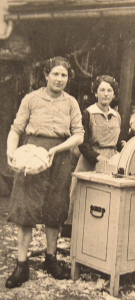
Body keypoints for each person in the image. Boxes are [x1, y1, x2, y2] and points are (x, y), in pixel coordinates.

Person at [5, 56, 84, 288]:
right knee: (25, 209)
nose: (60, 79)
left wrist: (57, 149)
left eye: (64, 75)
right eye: (56, 74)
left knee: (55, 208)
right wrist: (11, 152)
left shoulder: (71, 103)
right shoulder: (31, 99)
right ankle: (21, 266)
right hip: (32, 154)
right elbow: (16, 129)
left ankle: (51, 260)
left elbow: (79, 134)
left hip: (59, 157)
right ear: (46, 75)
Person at [65, 75, 123, 226]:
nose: (105, 94)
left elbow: (118, 140)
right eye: (102, 90)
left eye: (109, 90)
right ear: (96, 93)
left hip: (111, 161)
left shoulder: (117, 115)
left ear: (114, 94)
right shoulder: (88, 113)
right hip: (91, 160)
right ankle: (72, 233)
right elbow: (82, 143)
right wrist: (96, 157)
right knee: (80, 194)